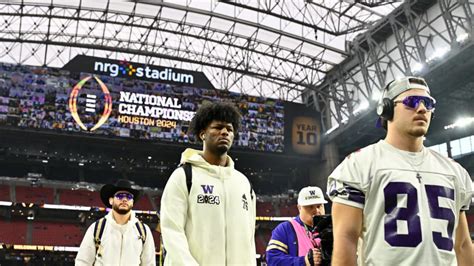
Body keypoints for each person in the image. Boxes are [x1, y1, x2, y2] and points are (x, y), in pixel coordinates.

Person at [327, 76, 473, 265]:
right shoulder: (360, 165)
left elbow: (462, 245)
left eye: (428, 103)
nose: (421, 109)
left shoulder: (454, 171)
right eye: (411, 102)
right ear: (386, 110)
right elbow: (346, 240)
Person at [160, 102, 256, 265]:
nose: (225, 132)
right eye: (218, 127)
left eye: (229, 129)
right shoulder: (183, 176)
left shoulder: (243, 183)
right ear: (202, 134)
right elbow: (172, 232)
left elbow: (249, 239)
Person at [75, 179, 156, 266]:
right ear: (111, 200)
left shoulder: (144, 231)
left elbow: (149, 264)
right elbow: (83, 262)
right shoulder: (97, 228)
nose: (124, 199)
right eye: (120, 196)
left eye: (128, 197)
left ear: (132, 202)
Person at [266, 186, 326, 266]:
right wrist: (304, 261)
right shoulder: (285, 229)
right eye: (310, 207)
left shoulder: (331, 228)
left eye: (319, 206)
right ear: (299, 208)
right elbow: (272, 260)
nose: (317, 211)